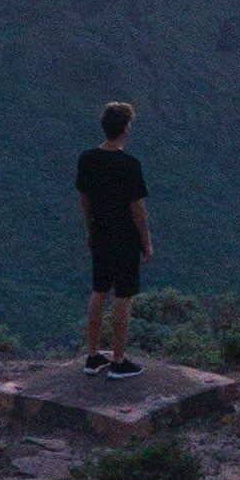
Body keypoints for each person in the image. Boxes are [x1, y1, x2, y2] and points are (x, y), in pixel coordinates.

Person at [75, 97, 153, 373]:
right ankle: (118, 360)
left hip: (100, 234)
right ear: (125, 129)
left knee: (98, 290)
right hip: (125, 237)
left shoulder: (87, 159)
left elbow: (84, 199)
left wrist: (91, 230)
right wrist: (146, 242)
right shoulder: (129, 164)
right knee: (124, 295)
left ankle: (93, 355)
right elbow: (137, 208)